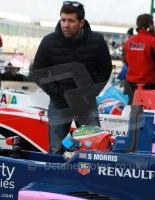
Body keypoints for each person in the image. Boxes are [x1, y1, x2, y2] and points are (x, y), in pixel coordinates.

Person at [32, 1, 112, 154]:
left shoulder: (97, 41)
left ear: (81, 22)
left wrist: (90, 92)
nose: (65, 25)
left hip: (86, 103)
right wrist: (56, 93)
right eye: (63, 20)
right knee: (56, 149)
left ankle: (89, 177)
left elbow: (105, 70)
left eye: (71, 21)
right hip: (59, 103)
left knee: (95, 148)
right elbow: (38, 71)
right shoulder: (49, 42)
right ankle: (56, 178)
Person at [124, 14, 155, 104]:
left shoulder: (128, 42)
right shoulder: (154, 42)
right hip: (148, 85)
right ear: (150, 25)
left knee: (131, 111)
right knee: (147, 114)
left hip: (130, 84)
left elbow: (126, 62)